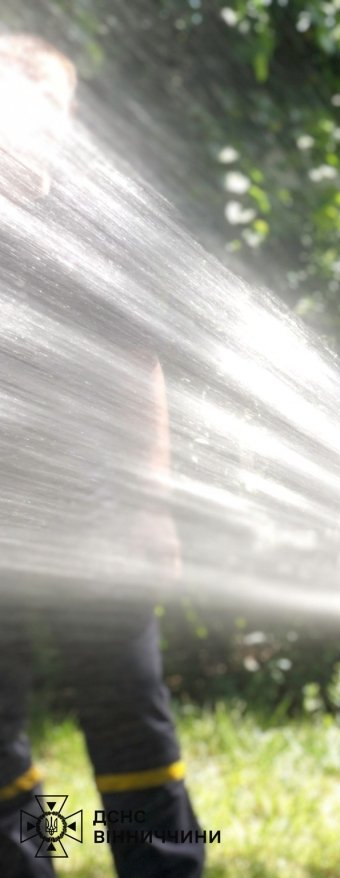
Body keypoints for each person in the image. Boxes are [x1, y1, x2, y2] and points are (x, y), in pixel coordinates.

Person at [0, 35, 205, 877]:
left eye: (52, 109)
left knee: (130, 713)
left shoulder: (90, 226)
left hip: (96, 517)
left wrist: (153, 509)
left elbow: (139, 365)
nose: (37, 125)